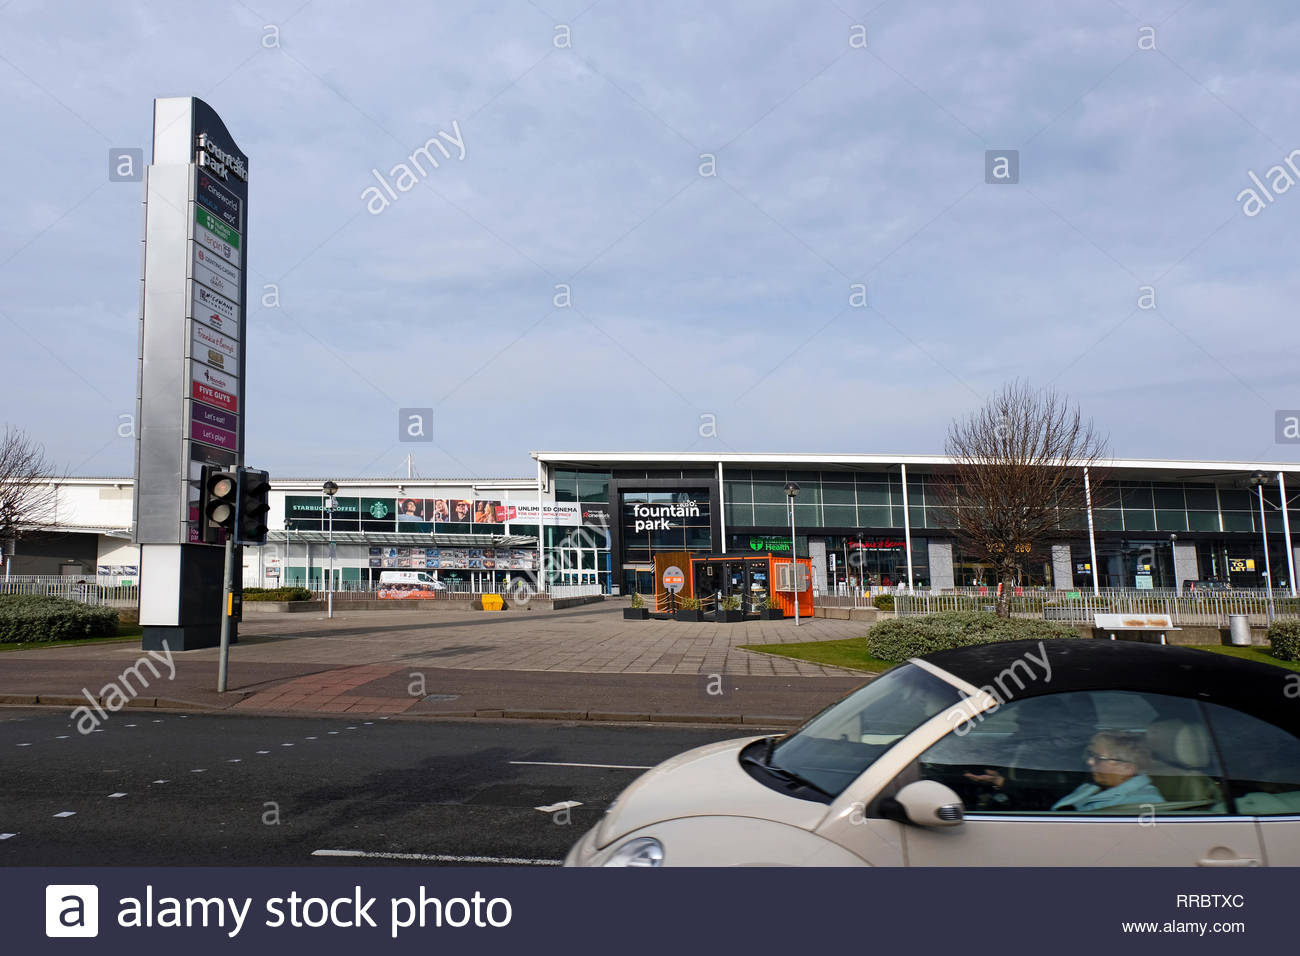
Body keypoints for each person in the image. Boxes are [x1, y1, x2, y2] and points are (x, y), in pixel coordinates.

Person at [1051, 731, 1165, 811]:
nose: (1090, 762)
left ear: (1126, 768)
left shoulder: (1143, 804)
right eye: (1090, 755)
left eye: (1098, 758)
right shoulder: (1094, 786)